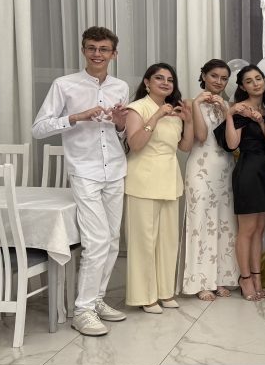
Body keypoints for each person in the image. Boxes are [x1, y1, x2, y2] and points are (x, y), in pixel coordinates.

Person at [31, 26, 129, 337]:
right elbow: (38, 129)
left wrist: (120, 123)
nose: (97, 54)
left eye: (103, 49)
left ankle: (97, 299)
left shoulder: (121, 87)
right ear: (83, 50)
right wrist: (76, 117)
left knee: (112, 240)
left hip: (115, 168)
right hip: (84, 170)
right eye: (91, 48)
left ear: (114, 53)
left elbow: (122, 133)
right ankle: (83, 310)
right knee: (96, 240)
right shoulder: (64, 85)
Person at [123, 63, 194, 312]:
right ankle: (145, 296)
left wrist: (188, 122)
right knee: (143, 241)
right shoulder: (137, 108)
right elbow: (135, 144)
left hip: (169, 178)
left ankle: (165, 292)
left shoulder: (174, 110)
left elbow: (184, 147)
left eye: (170, 80)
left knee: (168, 240)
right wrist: (155, 116)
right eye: (159, 78)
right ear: (147, 82)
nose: (165, 83)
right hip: (143, 179)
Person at [181, 59, 239, 301]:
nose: (219, 81)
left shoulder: (227, 104)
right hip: (200, 170)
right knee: (200, 223)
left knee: (225, 223)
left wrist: (226, 111)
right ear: (203, 75)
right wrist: (197, 104)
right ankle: (201, 281)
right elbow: (202, 136)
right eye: (214, 76)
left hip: (225, 168)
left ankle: (222, 278)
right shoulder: (189, 102)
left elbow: (231, 142)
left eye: (224, 78)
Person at [218, 64, 265, 302]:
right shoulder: (240, 109)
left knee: (259, 229)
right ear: (242, 86)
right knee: (247, 230)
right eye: (249, 81)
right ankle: (245, 278)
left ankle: (257, 277)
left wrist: (260, 122)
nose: (255, 83)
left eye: (258, 78)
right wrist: (230, 114)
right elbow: (232, 144)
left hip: (263, 171)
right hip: (247, 170)